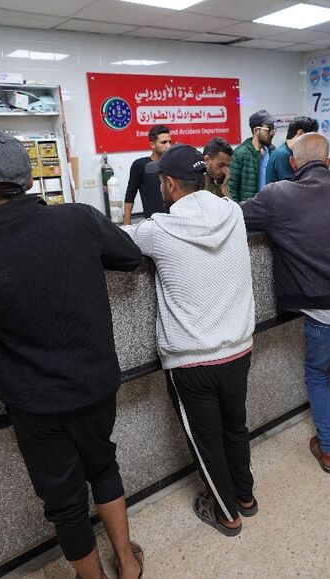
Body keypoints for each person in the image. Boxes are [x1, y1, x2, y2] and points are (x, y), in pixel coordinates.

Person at [0, 130, 145, 579]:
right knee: (104, 465)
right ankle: (128, 562)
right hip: (96, 384)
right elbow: (130, 257)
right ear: (31, 178)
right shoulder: (80, 219)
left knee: (65, 502)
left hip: (36, 403)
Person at [123, 144, 256, 537]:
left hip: (191, 361)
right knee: (235, 427)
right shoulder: (233, 212)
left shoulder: (157, 229)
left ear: (167, 183)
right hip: (238, 349)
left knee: (206, 442)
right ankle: (245, 497)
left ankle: (226, 513)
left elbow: (116, 245)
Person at [242, 133, 330, 479]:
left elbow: (237, 217)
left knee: (317, 375)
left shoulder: (278, 195)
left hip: (325, 311)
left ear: (292, 162)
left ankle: (328, 450)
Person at [123, 124, 171, 225]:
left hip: (173, 220)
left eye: (169, 142)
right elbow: (130, 196)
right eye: (163, 142)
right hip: (153, 223)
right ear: (153, 144)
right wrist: (126, 226)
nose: (168, 146)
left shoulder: (174, 164)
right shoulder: (140, 165)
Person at [230, 109, 277, 202]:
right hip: (250, 210)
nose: (272, 133)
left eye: (273, 129)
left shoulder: (273, 151)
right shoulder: (240, 153)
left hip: (271, 207)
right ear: (256, 130)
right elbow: (232, 187)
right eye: (268, 129)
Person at [266, 116, 318, 184]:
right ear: (300, 133)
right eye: (310, 138)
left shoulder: (289, 152)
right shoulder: (282, 154)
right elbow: (291, 186)